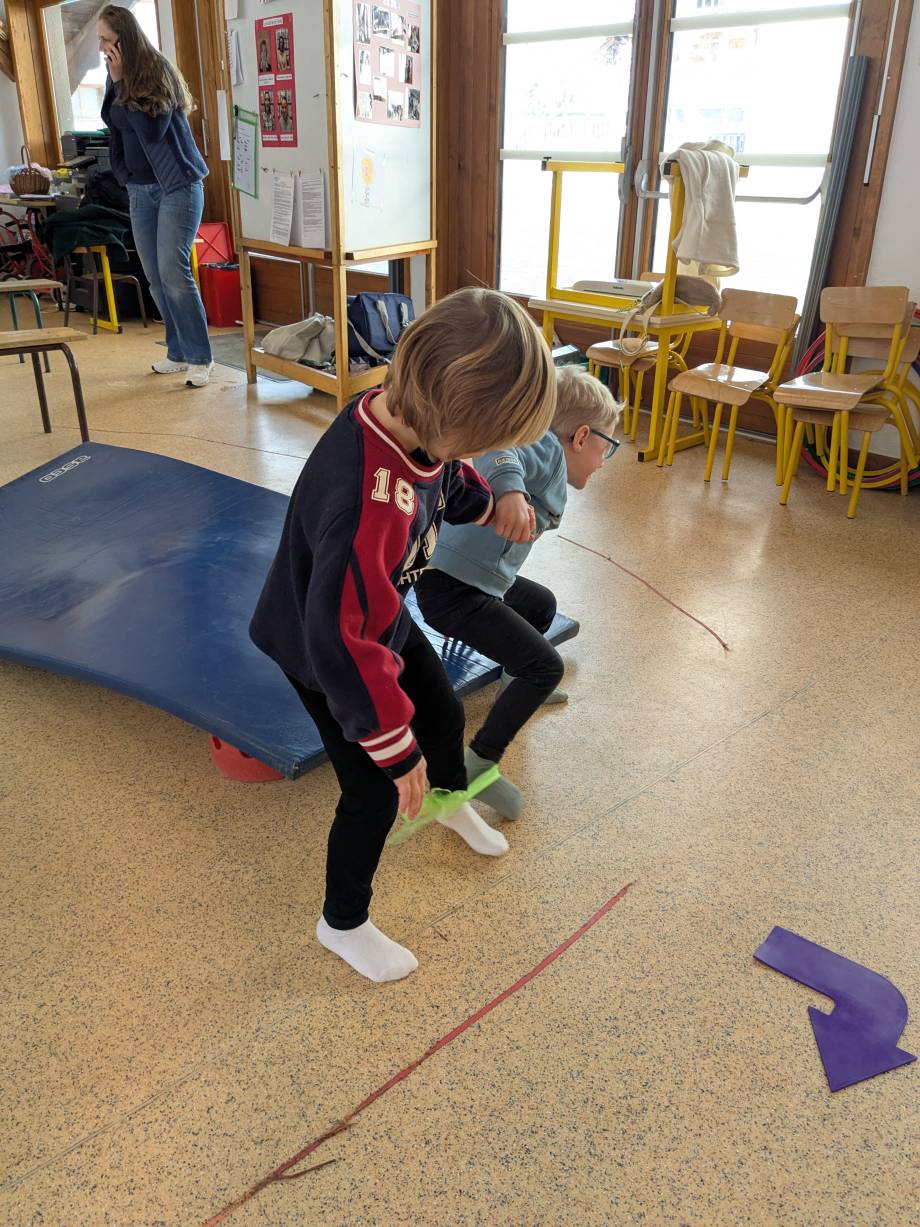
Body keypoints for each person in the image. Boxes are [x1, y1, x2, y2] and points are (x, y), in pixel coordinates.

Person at [249, 289, 556, 984]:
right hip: (322, 650)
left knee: (444, 711)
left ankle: (449, 802)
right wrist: (392, 745)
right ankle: (342, 922)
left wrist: (491, 497)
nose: (478, 453)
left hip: (373, 612)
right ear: (449, 415)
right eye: (481, 440)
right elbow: (342, 640)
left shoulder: (411, 421)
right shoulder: (368, 499)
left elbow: (444, 475)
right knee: (375, 791)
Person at [415, 365, 621, 821]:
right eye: (609, 447)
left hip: (466, 578)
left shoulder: (553, 461)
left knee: (540, 604)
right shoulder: (545, 447)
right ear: (582, 436)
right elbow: (500, 449)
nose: (605, 461)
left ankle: (514, 680)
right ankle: (480, 764)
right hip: (452, 589)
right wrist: (509, 493)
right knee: (544, 667)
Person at [99, 5, 214, 388]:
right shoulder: (114, 77)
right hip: (139, 189)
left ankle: (200, 356)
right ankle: (177, 351)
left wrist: (120, 82)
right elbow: (112, 126)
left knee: (174, 271)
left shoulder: (155, 71)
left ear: (123, 39)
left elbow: (149, 130)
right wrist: (123, 174)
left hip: (177, 185)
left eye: (106, 40)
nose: (102, 47)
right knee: (154, 276)